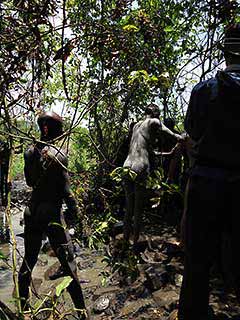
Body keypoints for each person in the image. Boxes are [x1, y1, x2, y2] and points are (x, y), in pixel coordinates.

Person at [178, 24, 240, 320]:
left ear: (224, 52)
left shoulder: (204, 90)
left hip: (207, 183)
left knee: (197, 261)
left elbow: (192, 132)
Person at [18, 111, 87, 319]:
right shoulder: (59, 154)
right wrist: (77, 217)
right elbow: (67, 192)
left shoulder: (30, 152)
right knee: (69, 266)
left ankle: (24, 309)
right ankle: (82, 314)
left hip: (31, 211)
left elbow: (30, 183)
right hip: (51, 214)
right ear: (53, 129)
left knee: (28, 261)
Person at [123, 103, 182, 245]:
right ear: (156, 113)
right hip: (140, 166)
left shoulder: (137, 125)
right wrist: (182, 137)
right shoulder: (154, 121)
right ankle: (135, 245)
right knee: (138, 208)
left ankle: (125, 242)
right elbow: (172, 135)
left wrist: (168, 153)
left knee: (129, 207)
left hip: (126, 166)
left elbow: (147, 150)